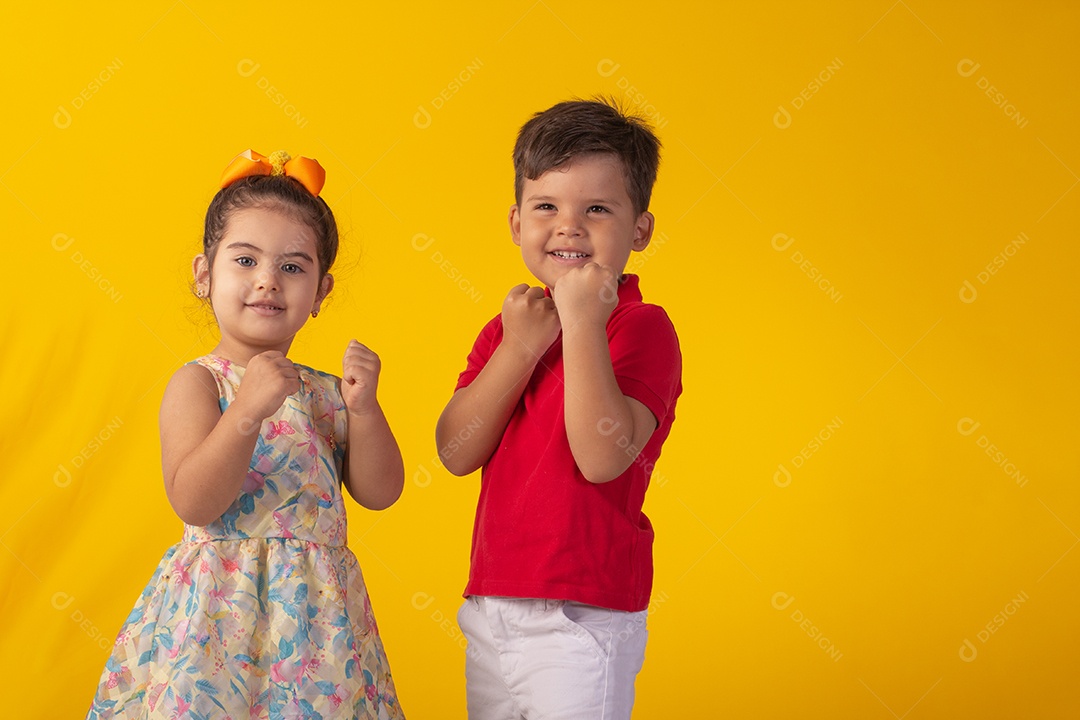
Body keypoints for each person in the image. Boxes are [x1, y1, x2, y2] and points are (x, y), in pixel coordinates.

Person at [86, 149, 405, 719]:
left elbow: (380, 492)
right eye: (245, 261)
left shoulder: (324, 392)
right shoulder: (200, 383)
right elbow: (195, 500)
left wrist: (365, 408)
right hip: (214, 619)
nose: (267, 282)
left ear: (320, 293)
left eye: (292, 267)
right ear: (205, 276)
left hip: (315, 628)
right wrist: (249, 410)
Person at [436, 99, 683, 719]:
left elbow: (603, 459)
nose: (569, 226)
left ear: (641, 230)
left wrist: (581, 323)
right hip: (492, 606)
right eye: (547, 206)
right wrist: (521, 346)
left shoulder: (642, 327)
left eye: (597, 209)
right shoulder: (508, 329)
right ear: (517, 223)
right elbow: (455, 450)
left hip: (584, 614)